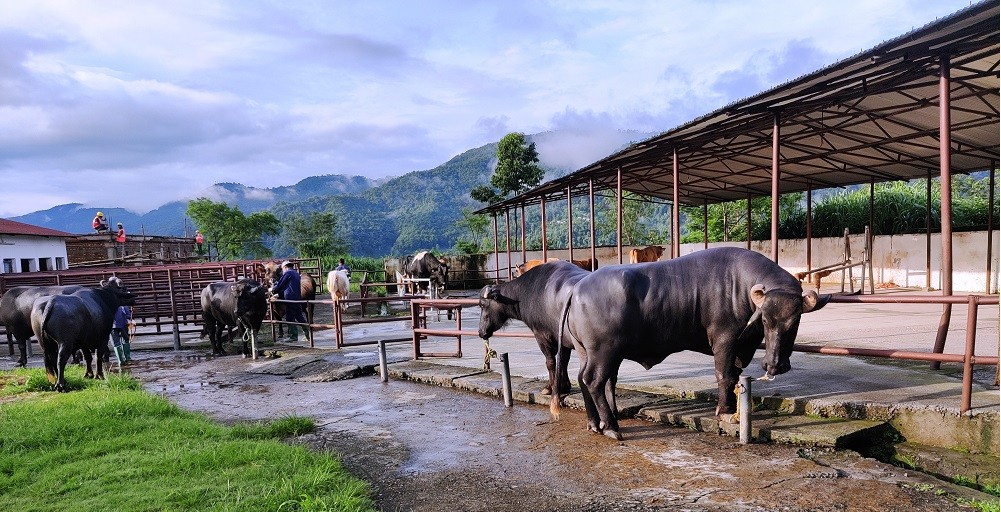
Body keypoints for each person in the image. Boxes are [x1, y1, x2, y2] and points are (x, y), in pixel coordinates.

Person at [270, 261, 307, 342]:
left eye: (282, 269)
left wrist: (273, 289)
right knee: (300, 317)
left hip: (290, 299)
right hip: (297, 298)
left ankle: (293, 336)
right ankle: (308, 335)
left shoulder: (288, 273)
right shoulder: (296, 273)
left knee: (289, 317)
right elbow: (288, 285)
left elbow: (280, 285)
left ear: (285, 267)